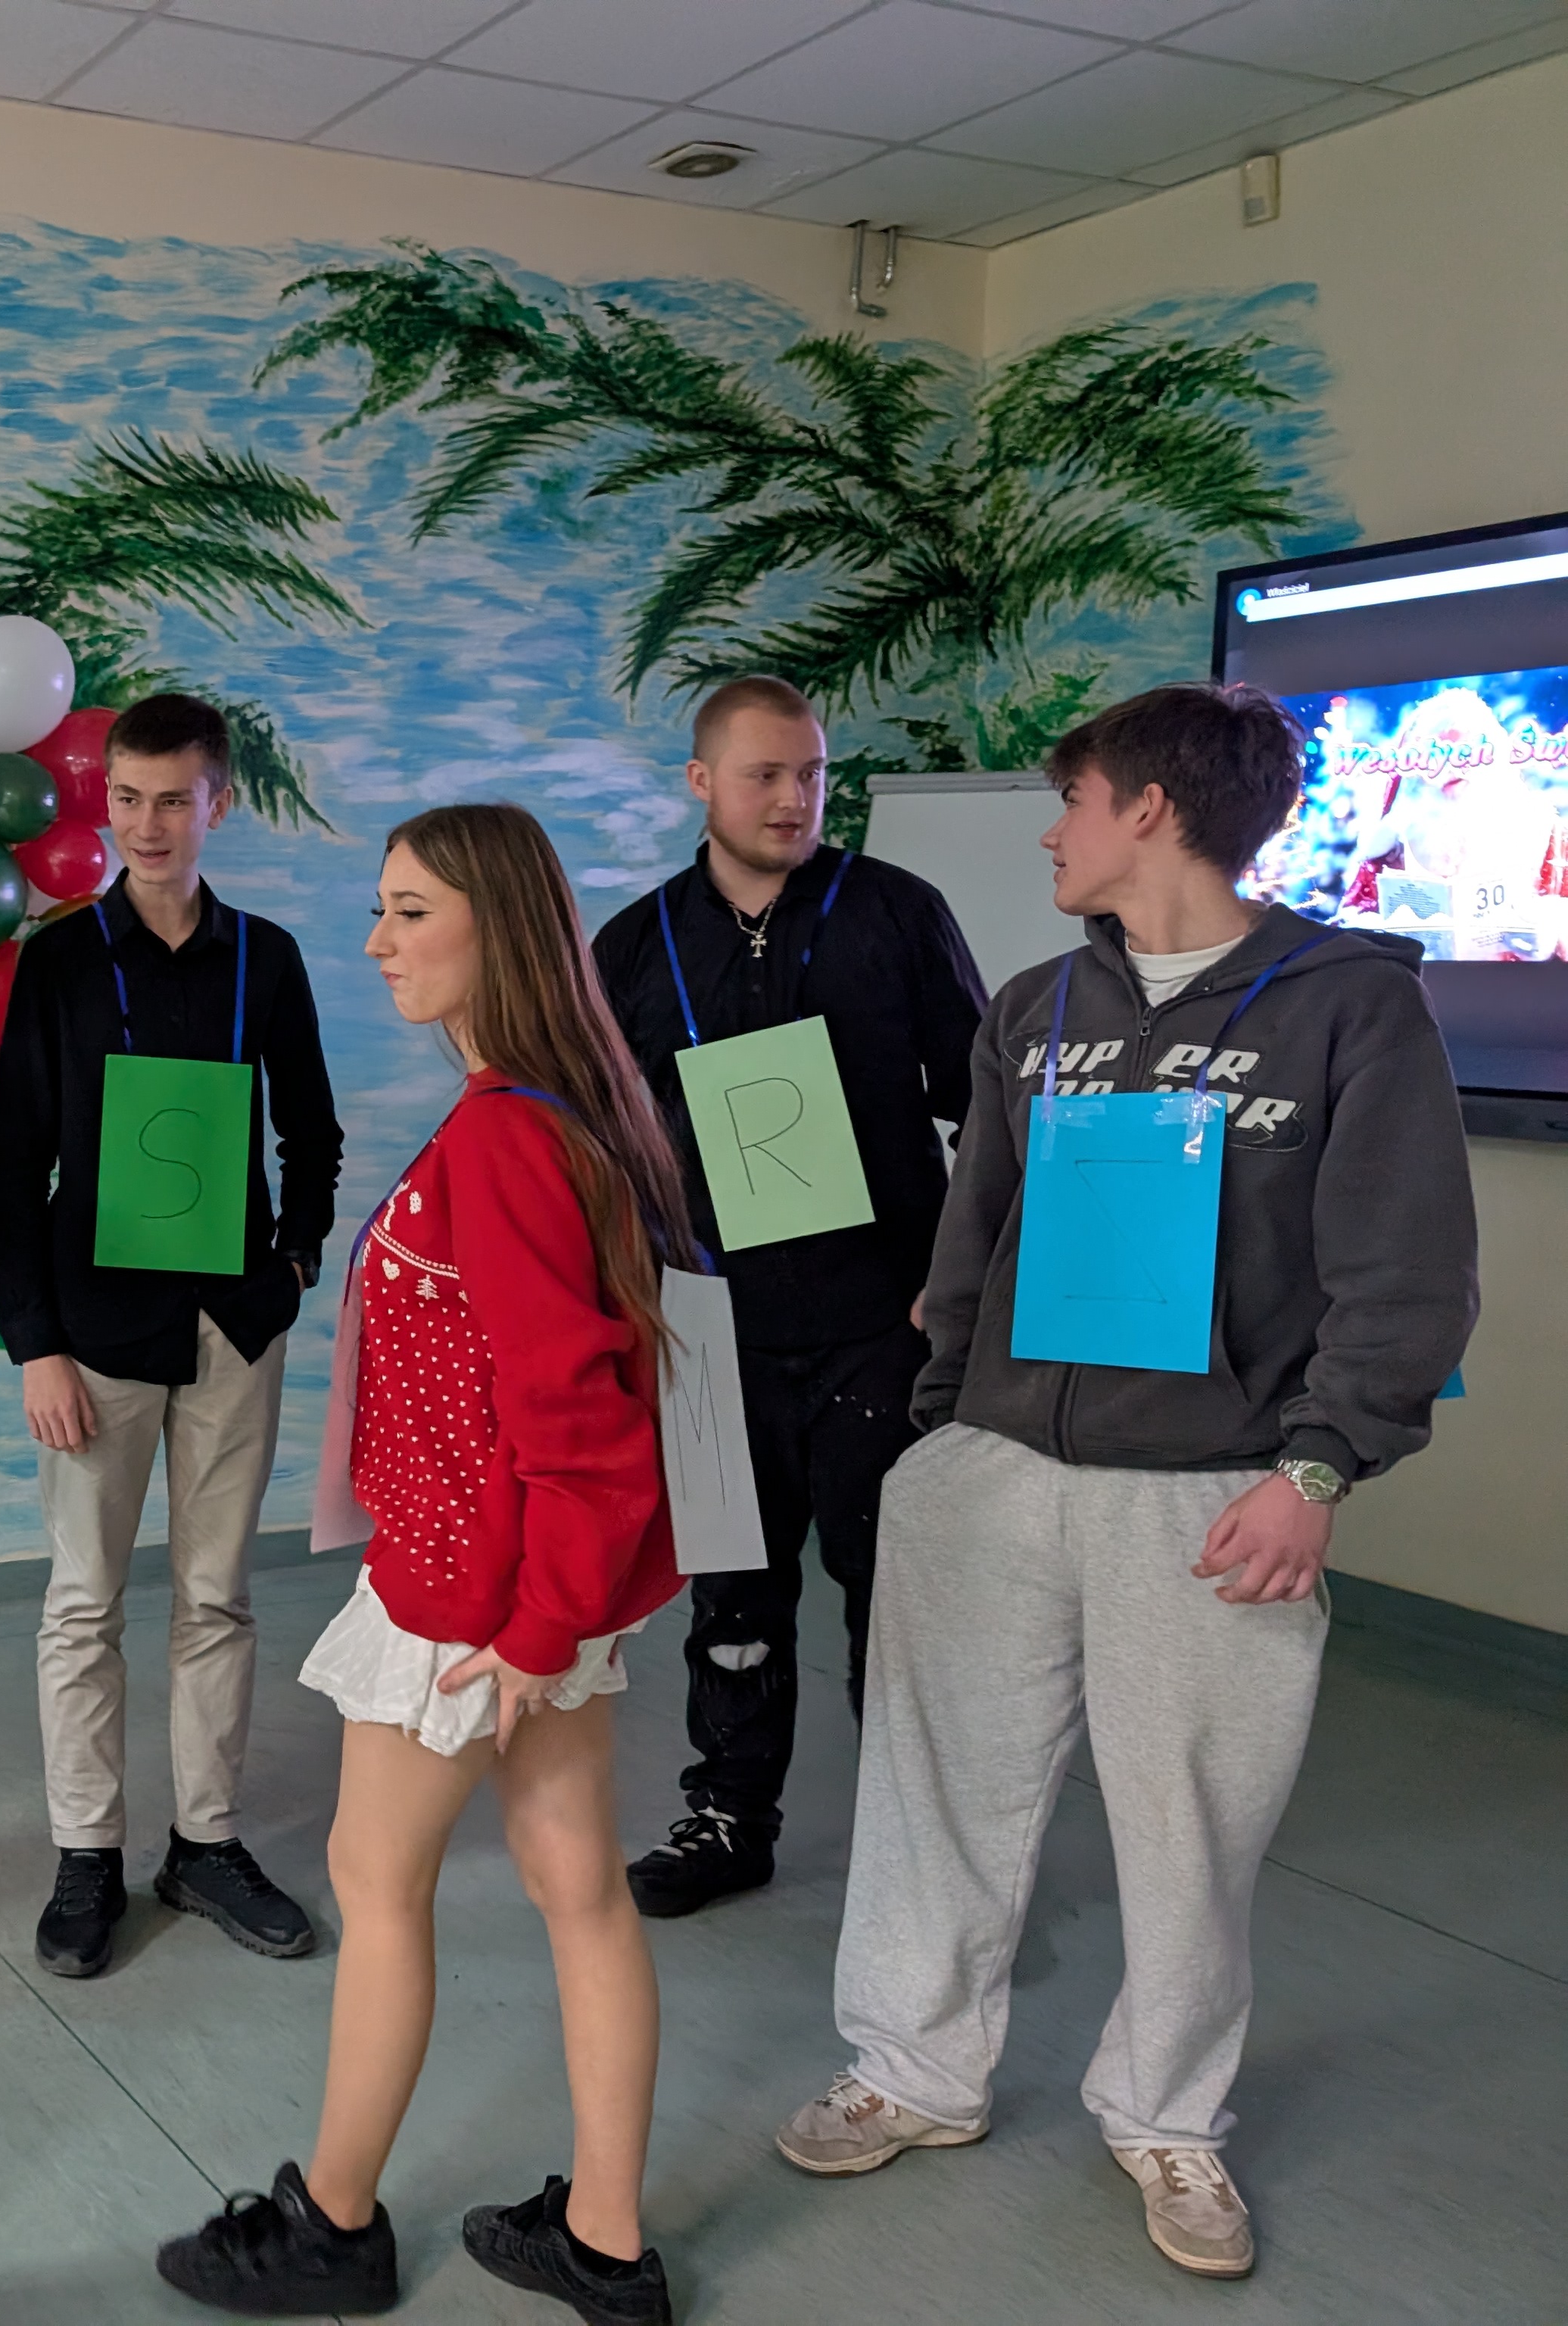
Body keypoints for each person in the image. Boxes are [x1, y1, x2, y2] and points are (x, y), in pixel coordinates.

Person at [776, 683, 1479, 2282]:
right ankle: (915, 2067)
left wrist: (1318, 1468)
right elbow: (977, 1232)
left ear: (1149, 810)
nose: (1052, 833)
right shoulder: (1035, 1008)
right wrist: (947, 1428)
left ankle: (1168, 2116)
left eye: (1074, 802)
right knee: (938, 1789)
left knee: (1188, 1828)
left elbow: (1409, 1272)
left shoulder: (1352, 1009)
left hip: (1216, 1493)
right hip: (994, 1471)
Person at [157, 803, 685, 2324]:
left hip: (475, 1595)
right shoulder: (558, 1113)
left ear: (493, 930)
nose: (379, 941)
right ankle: (605, 2243)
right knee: (579, 1886)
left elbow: (578, 1423)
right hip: (524, 1590)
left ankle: (331, 2222)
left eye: (408, 911)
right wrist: (557, 1620)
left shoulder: (510, 1136)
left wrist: (532, 1630)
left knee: (373, 1882)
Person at [588, 675, 988, 1916]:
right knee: (736, 1598)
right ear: (701, 781)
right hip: (717, 1334)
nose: (794, 798)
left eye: (810, 774)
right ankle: (727, 1816)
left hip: (885, 1328)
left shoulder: (897, 913)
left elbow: (986, 1113)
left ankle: (924, 1845)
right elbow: (602, 1143)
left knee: (901, 1599)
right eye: (765, 774)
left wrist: (955, 1285)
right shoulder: (635, 946)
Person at [0, 692, 341, 1980]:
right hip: (92, 1338)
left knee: (216, 1597)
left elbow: (312, 1131)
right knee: (84, 1604)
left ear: (216, 804)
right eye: (126, 799)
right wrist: (36, 1345)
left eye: (173, 800)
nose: (146, 824)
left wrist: (292, 1262)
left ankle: (206, 1842)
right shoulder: (64, 963)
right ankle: (87, 1852)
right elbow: (13, 1169)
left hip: (234, 1328)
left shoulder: (268, 960)